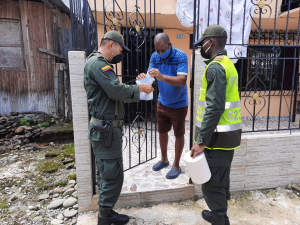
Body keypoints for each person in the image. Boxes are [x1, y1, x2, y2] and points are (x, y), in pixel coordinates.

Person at [84, 31, 154, 225]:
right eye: (120, 48)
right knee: (112, 176)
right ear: (111, 44)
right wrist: (140, 89)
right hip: (105, 131)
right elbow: (115, 91)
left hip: (106, 130)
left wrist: (138, 85)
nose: (119, 53)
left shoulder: (98, 64)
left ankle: (107, 213)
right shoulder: (98, 64)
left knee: (108, 173)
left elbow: (114, 93)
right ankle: (104, 218)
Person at [190, 24, 242, 225]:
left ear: (210, 42)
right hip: (225, 138)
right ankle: (218, 213)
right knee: (220, 180)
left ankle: (219, 219)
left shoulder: (215, 67)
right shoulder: (228, 63)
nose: (201, 46)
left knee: (212, 184)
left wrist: (201, 140)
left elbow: (214, 107)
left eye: (203, 42)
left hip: (215, 140)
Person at [137, 33, 189, 179]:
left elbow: (181, 80)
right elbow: (151, 78)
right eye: (157, 50)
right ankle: (164, 159)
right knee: (162, 132)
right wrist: (143, 78)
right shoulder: (155, 57)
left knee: (179, 134)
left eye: (162, 50)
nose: (160, 53)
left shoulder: (181, 56)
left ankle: (176, 165)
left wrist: (162, 77)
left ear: (169, 45)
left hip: (179, 104)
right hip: (162, 101)